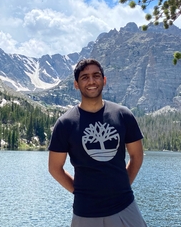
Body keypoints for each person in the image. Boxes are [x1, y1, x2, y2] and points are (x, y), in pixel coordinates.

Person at [48, 58, 147, 227]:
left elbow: (137, 156)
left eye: (96, 75)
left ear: (104, 80)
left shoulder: (123, 115)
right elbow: (54, 168)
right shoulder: (65, 123)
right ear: (76, 84)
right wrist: (80, 192)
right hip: (85, 213)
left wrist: (122, 187)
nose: (91, 81)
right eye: (84, 77)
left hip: (125, 207)